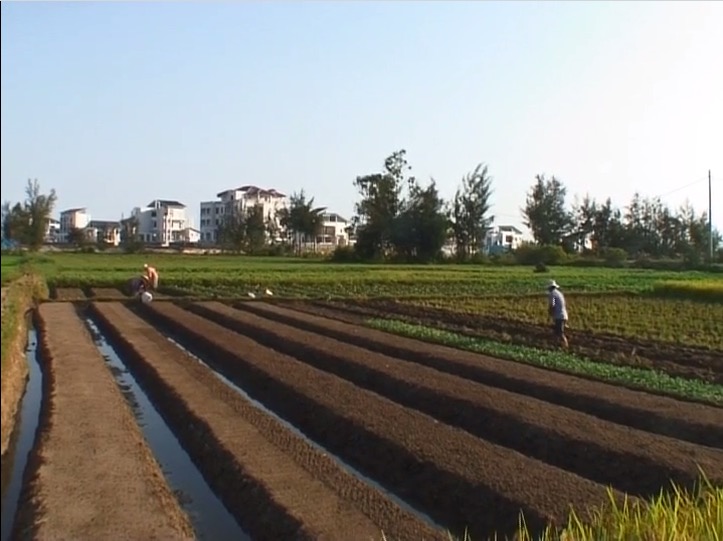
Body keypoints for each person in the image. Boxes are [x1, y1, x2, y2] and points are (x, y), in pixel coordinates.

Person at [547, 279, 569, 349]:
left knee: (559, 333)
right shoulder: (559, 293)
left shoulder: (552, 294)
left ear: (550, 288)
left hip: (559, 316)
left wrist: (550, 313)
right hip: (564, 315)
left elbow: (553, 304)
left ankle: (566, 345)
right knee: (556, 332)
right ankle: (555, 345)